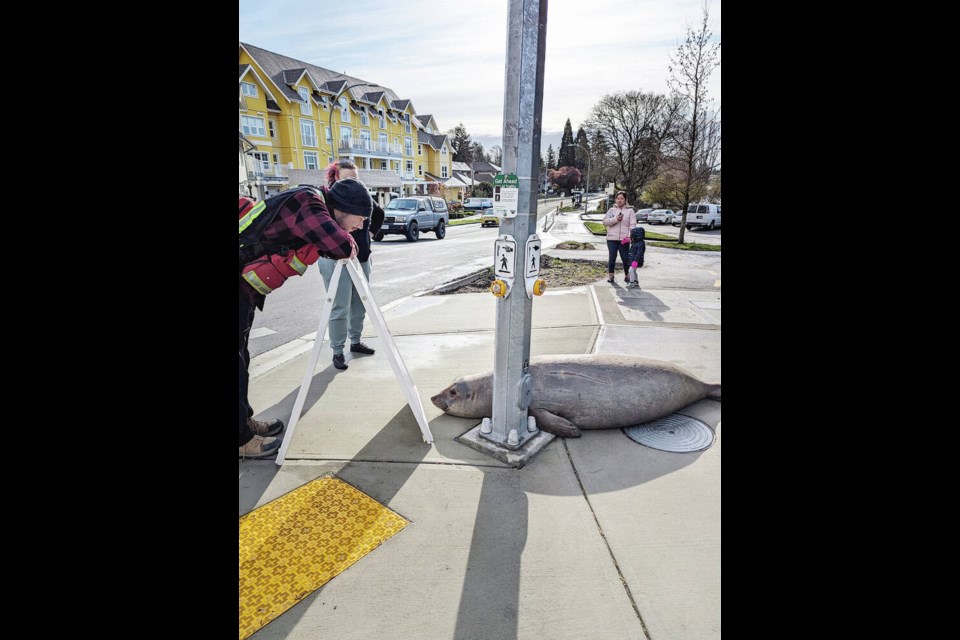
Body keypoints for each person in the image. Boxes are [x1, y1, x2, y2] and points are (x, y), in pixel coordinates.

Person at [239, 179, 372, 458]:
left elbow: (323, 244)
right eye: (359, 219)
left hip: (244, 290)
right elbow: (341, 246)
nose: (359, 227)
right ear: (343, 209)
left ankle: (244, 423)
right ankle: (241, 440)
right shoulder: (308, 204)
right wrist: (346, 240)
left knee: (242, 359)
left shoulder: (309, 204)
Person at [316, 160, 386, 370]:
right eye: (347, 178)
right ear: (335, 178)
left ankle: (355, 341)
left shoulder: (361, 198)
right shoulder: (328, 204)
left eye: (355, 178)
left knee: (360, 303)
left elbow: (379, 213)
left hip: (362, 258)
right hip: (334, 260)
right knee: (339, 306)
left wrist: (370, 234)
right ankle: (338, 351)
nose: (353, 182)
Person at [602, 191, 636, 284]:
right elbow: (605, 222)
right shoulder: (611, 210)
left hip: (624, 239)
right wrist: (616, 219)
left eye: (621, 198)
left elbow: (632, 224)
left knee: (625, 258)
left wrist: (630, 236)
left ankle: (627, 275)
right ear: (615, 199)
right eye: (618, 198)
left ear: (625, 200)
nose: (619, 200)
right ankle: (611, 276)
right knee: (612, 257)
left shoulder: (630, 211)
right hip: (611, 239)